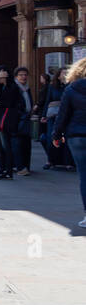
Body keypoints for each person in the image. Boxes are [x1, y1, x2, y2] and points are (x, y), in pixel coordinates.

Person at [50, 57, 86, 227]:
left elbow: (62, 114)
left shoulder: (72, 89)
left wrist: (56, 135)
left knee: (84, 176)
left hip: (77, 136)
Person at [0, 66, 23, 180]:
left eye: (0, 72)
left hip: (6, 119)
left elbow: (9, 102)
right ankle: (2, 169)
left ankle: (8, 170)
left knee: (5, 145)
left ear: (6, 73)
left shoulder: (12, 86)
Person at [37, 68, 69, 170]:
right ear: (58, 76)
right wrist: (44, 115)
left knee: (66, 139)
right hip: (53, 115)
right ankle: (51, 160)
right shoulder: (52, 86)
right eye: (64, 73)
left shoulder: (70, 86)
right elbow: (48, 100)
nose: (65, 75)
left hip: (66, 115)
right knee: (52, 137)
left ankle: (67, 162)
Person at [11, 67, 35, 175]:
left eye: (25, 75)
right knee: (18, 144)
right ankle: (20, 167)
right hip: (17, 119)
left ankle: (26, 166)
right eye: (21, 75)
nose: (23, 77)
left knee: (26, 144)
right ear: (16, 76)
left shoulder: (27, 88)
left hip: (26, 118)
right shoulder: (14, 88)